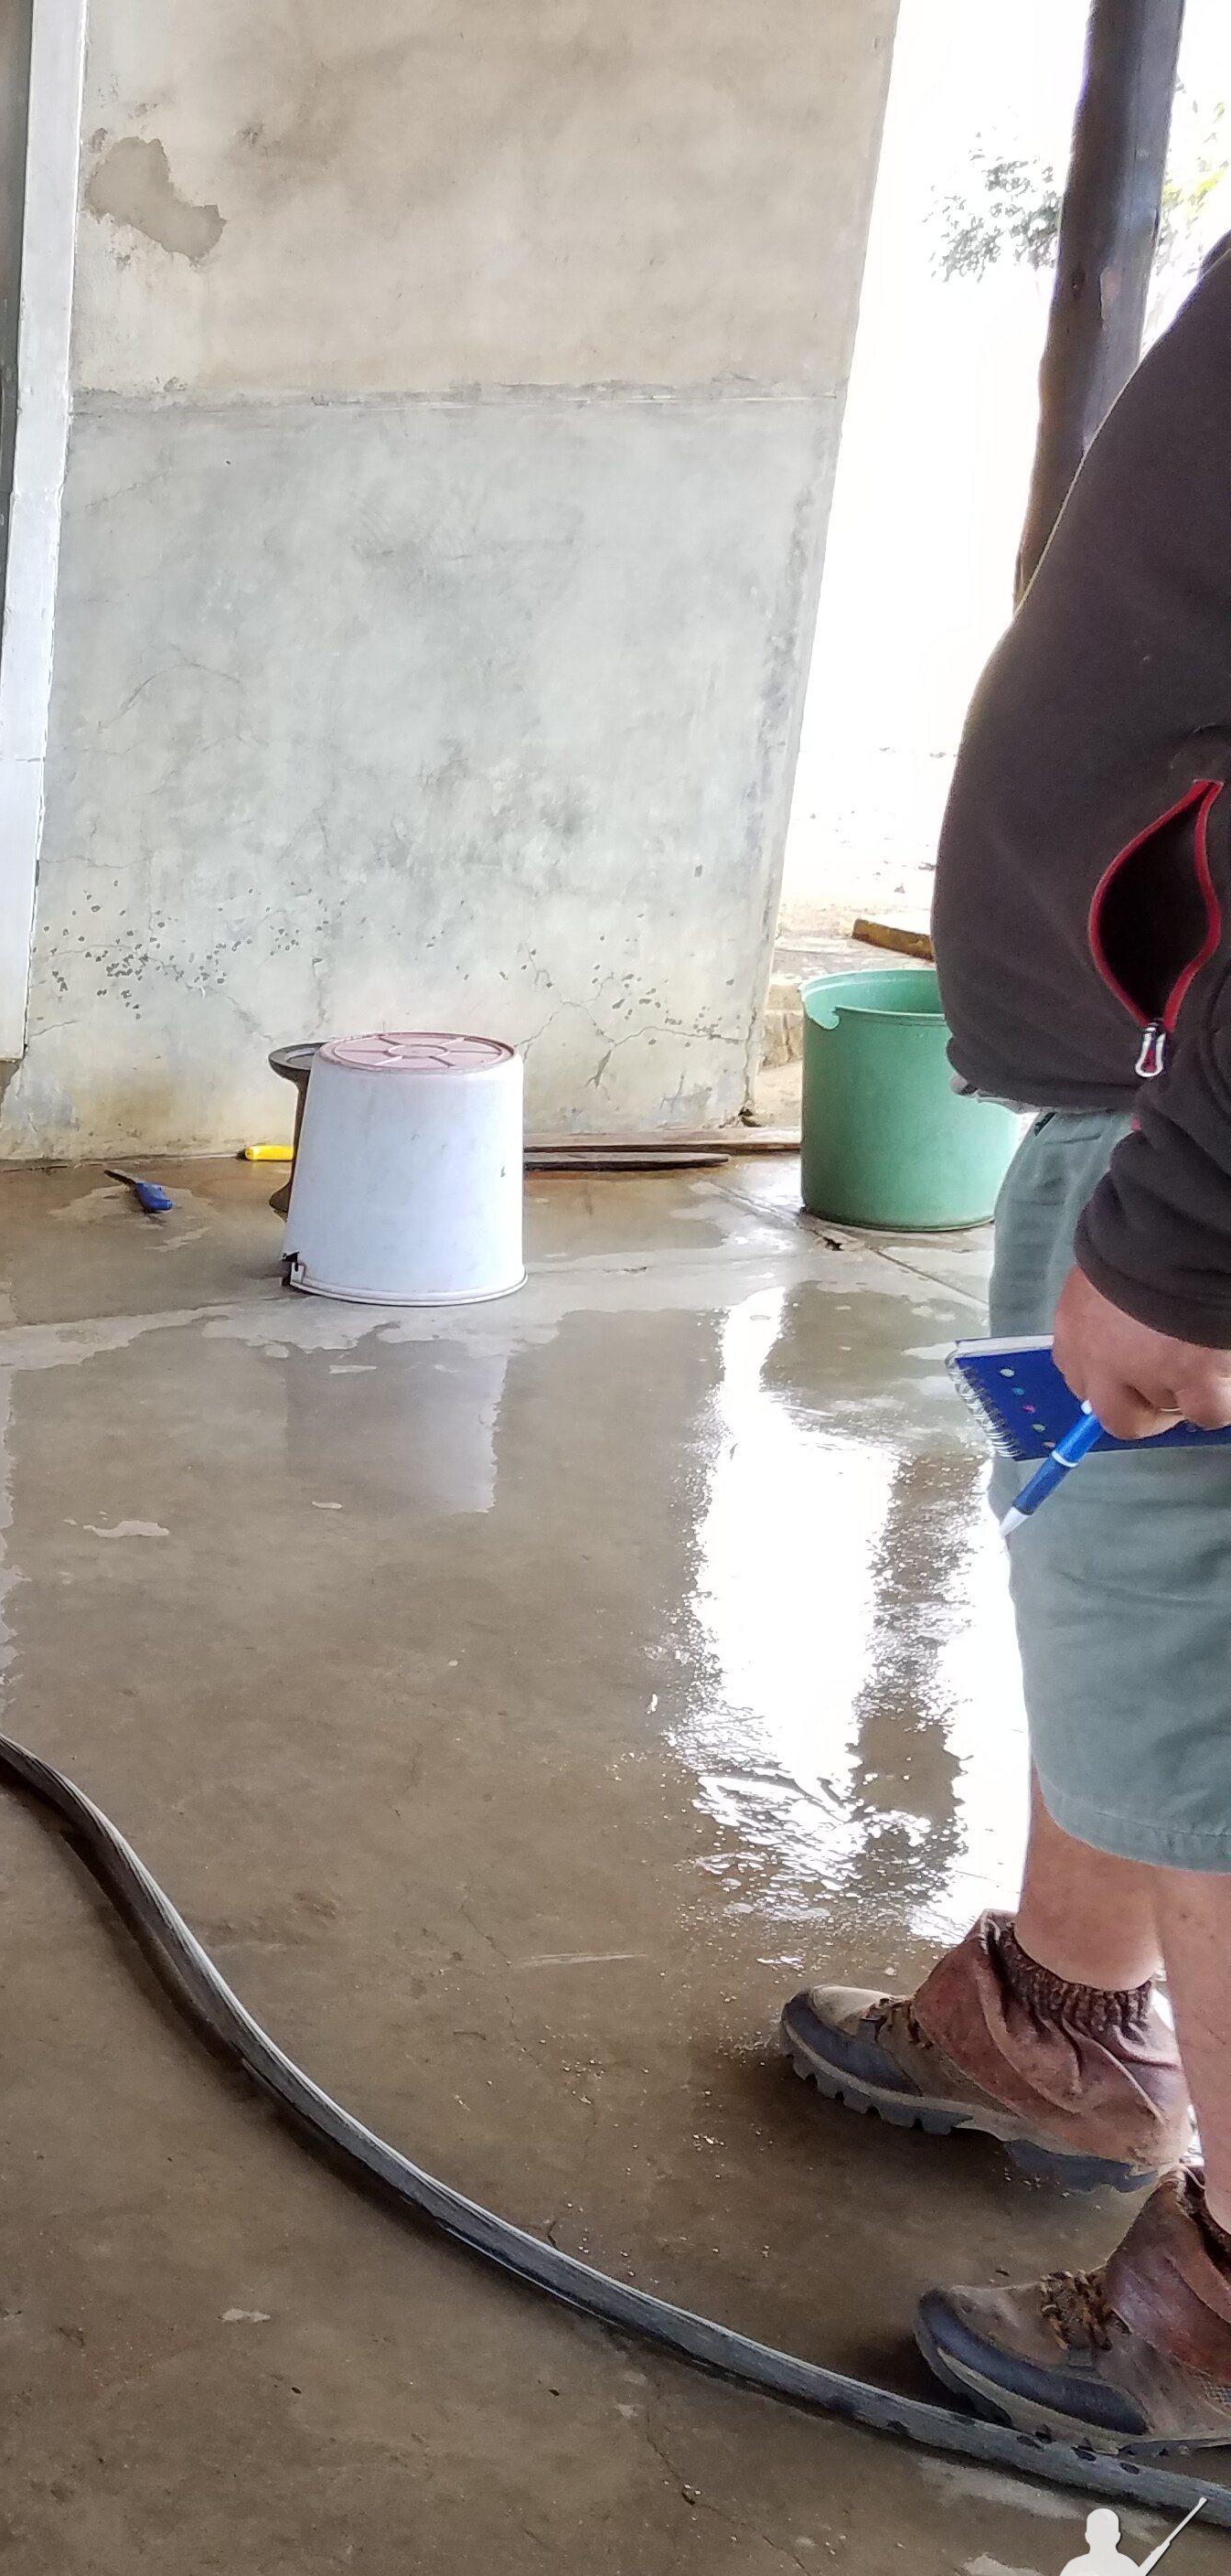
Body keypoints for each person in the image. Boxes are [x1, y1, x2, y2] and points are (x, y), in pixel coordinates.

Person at [777, 260, 1231, 2442]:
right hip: (1110, 1110)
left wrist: (1196, 1223)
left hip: (1183, 1154)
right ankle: (1067, 2011)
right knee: (1088, 1551)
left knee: (1200, 1660)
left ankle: (1226, 2296)